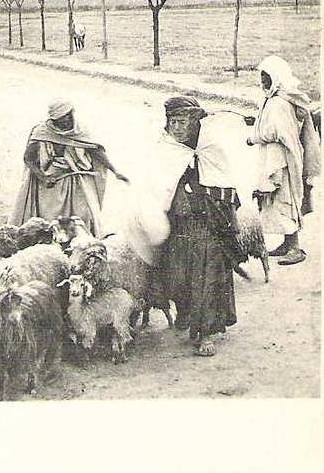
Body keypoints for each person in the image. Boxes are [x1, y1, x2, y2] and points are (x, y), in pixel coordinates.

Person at [129, 97, 245, 356]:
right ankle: (184, 312)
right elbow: (153, 185)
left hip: (207, 226)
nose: (176, 129)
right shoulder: (166, 148)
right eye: (172, 122)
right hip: (177, 225)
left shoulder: (211, 147)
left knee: (207, 278)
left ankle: (205, 332)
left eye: (182, 122)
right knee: (178, 275)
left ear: (194, 123)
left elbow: (225, 185)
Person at [12, 99, 127, 236]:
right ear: (53, 119)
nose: (65, 121)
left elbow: (96, 151)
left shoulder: (81, 132)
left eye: (67, 116)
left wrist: (115, 171)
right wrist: (42, 177)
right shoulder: (41, 133)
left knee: (82, 217)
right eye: (60, 118)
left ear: (72, 113)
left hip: (77, 183)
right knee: (51, 221)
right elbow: (28, 158)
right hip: (51, 185)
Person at [247, 55, 320, 265]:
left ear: (277, 78)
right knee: (278, 202)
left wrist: (253, 137)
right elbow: (272, 125)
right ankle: (287, 243)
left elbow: (278, 132)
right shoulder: (276, 99)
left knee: (286, 202)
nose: (263, 83)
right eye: (262, 78)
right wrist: (256, 122)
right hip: (277, 158)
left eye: (267, 78)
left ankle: (295, 248)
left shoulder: (279, 102)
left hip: (284, 162)